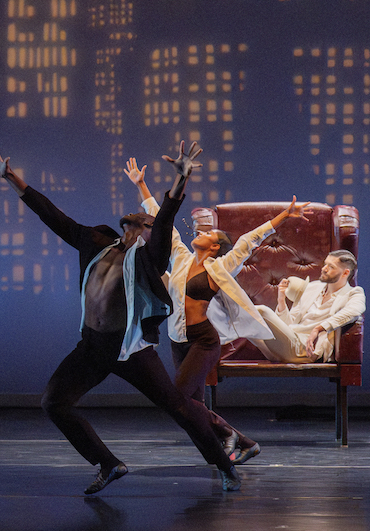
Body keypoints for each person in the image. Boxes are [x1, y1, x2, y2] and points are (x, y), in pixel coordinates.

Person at [0, 140, 243, 493]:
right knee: (54, 403)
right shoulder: (96, 244)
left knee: (178, 407)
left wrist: (181, 180)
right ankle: (108, 463)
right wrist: (9, 176)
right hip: (92, 347)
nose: (150, 223)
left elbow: (165, 220)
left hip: (128, 349)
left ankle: (225, 465)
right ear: (129, 226)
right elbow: (51, 214)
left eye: (154, 225)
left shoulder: (148, 259)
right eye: (148, 222)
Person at [125, 158, 311, 465]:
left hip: (203, 340)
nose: (201, 232)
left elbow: (249, 241)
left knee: (177, 398)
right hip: (177, 339)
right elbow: (162, 220)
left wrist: (282, 217)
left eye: (209, 233)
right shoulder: (181, 257)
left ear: (215, 246)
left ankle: (228, 435)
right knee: (189, 406)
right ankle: (240, 447)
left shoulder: (221, 266)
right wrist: (141, 185)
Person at [249, 250, 365, 366]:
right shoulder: (312, 287)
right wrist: (281, 300)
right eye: (325, 264)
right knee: (247, 320)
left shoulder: (353, 293)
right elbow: (289, 324)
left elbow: (354, 311)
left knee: (261, 311)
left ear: (345, 273)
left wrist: (319, 328)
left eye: (331, 267)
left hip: (306, 349)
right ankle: (275, 356)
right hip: (291, 341)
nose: (324, 269)